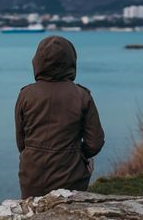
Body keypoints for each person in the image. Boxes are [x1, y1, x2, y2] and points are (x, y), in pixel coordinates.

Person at [14, 35, 105, 199]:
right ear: (71, 61)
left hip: (32, 176)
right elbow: (95, 142)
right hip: (71, 177)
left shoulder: (26, 94)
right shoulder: (82, 95)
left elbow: (21, 142)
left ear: (37, 61)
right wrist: (77, 154)